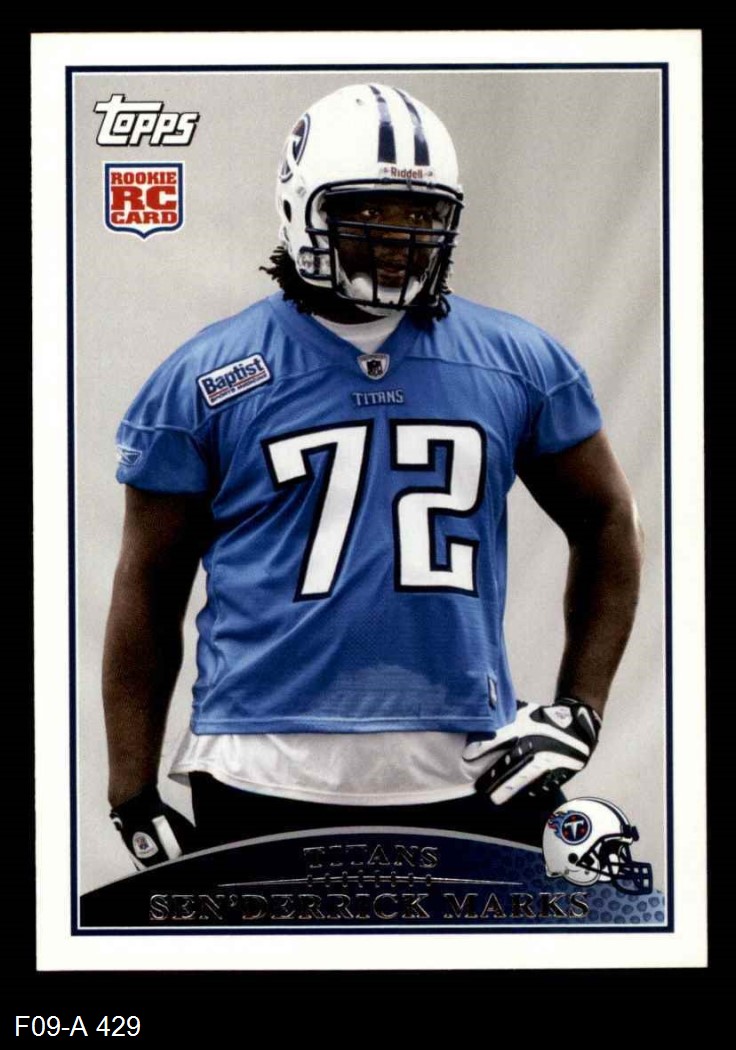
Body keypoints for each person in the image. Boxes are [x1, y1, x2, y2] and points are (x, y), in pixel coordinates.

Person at [103, 83, 643, 871]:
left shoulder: (518, 359)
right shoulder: (207, 376)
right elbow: (149, 585)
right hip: (259, 768)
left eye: (422, 214)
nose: (400, 237)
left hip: (472, 767)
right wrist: (131, 789)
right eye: (371, 210)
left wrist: (580, 708)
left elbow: (607, 522)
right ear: (303, 209)